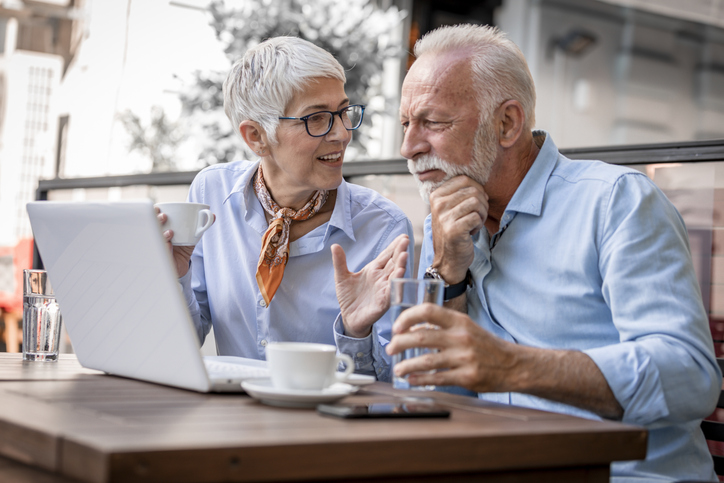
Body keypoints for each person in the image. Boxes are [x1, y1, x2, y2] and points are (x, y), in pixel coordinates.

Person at [386, 24, 722, 482]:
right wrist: (447, 274)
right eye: (406, 124)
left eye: (434, 122)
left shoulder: (615, 202)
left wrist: (510, 366)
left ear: (507, 123)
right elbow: (429, 395)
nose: (409, 147)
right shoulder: (446, 218)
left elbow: (690, 376)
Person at [158, 36, 413, 378]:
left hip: (325, 427)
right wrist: (173, 278)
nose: (341, 134)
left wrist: (356, 333)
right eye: (317, 118)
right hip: (231, 420)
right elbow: (182, 343)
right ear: (256, 137)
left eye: (343, 112)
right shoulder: (211, 194)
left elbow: (394, 391)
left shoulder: (383, 229)